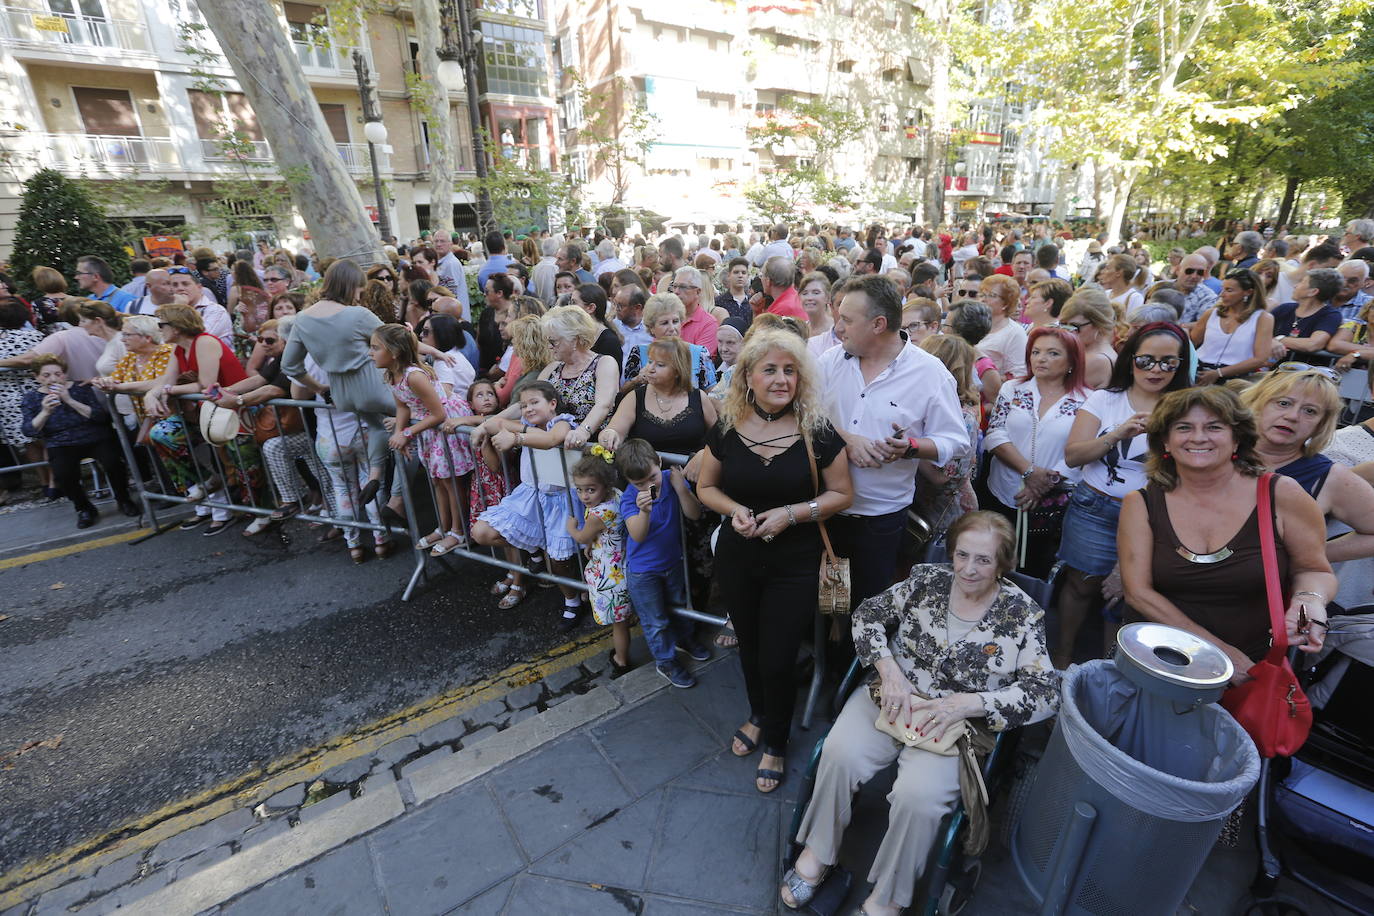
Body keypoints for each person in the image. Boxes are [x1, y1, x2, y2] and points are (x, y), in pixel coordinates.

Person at [784, 512, 1058, 916]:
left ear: (1003, 562)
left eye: (983, 560)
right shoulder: (926, 580)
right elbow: (867, 616)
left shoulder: (1021, 614)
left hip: (953, 721)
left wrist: (970, 703)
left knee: (920, 800)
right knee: (840, 754)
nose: (968, 568)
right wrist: (889, 670)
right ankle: (818, 853)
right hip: (890, 697)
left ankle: (888, 898)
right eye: (962, 555)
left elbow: (1045, 692)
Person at [697, 327, 854, 791]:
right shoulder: (726, 427)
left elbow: (842, 495)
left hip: (798, 562)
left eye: (789, 370)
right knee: (748, 644)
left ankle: (778, 742)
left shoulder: (817, 430)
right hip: (739, 557)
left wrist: (791, 514)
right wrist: (735, 511)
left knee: (780, 655)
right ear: (748, 376)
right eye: (770, 370)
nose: (781, 379)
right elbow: (707, 488)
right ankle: (758, 714)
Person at [1120, 385, 1336, 679]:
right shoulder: (1141, 503)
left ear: (1237, 439)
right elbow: (1138, 594)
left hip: (1252, 668)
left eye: (1214, 427)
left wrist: (1308, 601)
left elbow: (1315, 570)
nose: (1198, 437)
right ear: (1165, 443)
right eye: (1184, 427)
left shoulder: (1281, 494)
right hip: (1158, 661)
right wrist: (1217, 654)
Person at [820, 275, 972, 620]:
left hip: (880, 519)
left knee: (867, 604)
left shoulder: (930, 373)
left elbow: (955, 441)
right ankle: (828, 664)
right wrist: (846, 438)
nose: (838, 326)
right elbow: (803, 417)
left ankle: (862, 668)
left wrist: (911, 447)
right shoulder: (830, 361)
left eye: (846, 319)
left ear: (878, 324)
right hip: (827, 509)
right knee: (831, 600)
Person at [1056, 322, 1192, 666]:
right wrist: (1118, 433)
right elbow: (1074, 455)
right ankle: (1061, 658)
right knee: (1080, 585)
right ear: (1130, 359)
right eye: (1147, 360)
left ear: (1181, 366)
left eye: (1168, 362)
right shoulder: (1105, 399)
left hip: (1153, 515)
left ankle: (1109, 671)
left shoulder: (1186, 409)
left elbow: (1184, 476)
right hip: (1094, 506)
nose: (1156, 369)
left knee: (1128, 598)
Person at [280, 261, 396, 510]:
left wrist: (320, 388)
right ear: (350, 284)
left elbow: (290, 366)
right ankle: (394, 499)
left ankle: (374, 479)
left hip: (342, 396)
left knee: (378, 428)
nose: (359, 295)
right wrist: (433, 352)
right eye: (358, 289)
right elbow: (396, 341)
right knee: (416, 425)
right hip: (373, 388)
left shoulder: (302, 319)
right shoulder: (358, 315)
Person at [143, 303, 262, 535]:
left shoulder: (205, 342)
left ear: (176, 326)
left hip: (234, 410)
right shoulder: (178, 349)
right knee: (161, 434)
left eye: (161, 325)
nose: (159, 330)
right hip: (206, 413)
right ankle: (207, 482)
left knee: (244, 460)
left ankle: (261, 510)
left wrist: (167, 390)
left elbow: (205, 384)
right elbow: (165, 380)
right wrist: (152, 393)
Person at [1242, 367, 1374, 566]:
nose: (1293, 416)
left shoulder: (1329, 476)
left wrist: (1310, 555)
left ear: (1322, 424)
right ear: (1257, 402)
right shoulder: (1212, 452)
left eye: (1310, 411)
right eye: (1283, 403)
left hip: (1259, 593)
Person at [983, 326, 1087, 578]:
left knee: (1034, 568)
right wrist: (1028, 471)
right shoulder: (1012, 389)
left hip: (1052, 501)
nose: (1041, 359)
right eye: (1036, 352)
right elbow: (995, 433)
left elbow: (1083, 451)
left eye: (1053, 353)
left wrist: (1043, 482)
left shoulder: (1087, 400)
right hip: (1004, 489)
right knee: (994, 558)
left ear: (1072, 361)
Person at [472, 380, 582, 616]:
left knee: (559, 562)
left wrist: (517, 436)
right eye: (523, 405)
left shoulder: (562, 422)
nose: (528, 409)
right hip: (530, 495)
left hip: (562, 499)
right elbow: (495, 422)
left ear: (552, 403)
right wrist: (484, 428)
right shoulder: (523, 423)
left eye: (534, 402)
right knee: (481, 531)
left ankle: (572, 602)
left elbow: (552, 439)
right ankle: (533, 550)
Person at [373, 323, 474, 559]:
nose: (371, 353)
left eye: (375, 347)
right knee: (437, 481)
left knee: (450, 482)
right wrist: (400, 432)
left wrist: (407, 434)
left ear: (394, 352)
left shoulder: (415, 376)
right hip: (428, 428)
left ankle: (458, 531)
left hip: (444, 425)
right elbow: (402, 406)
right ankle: (443, 526)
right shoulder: (391, 374)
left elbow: (439, 414)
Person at [616, 437, 709, 685]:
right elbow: (637, 534)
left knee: (679, 605)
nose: (648, 485)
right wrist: (643, 511)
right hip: (643, 572)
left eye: (652, 477)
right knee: (655, 620)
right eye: (639, 483)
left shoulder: (670, 479)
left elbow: (694, 513)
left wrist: (680, 488)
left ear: (659, 462)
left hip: (673, 561)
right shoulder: (629, 499)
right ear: (628, 481)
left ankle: (684, 640)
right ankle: (665, 661)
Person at [21, 355, 139, 526]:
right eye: (46, 375)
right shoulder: (31, 398)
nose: (53, 378)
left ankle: (124, 499)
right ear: (37, 377)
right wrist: (45, 412)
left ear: (64, 375)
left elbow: (100, 417)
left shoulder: (80, 388)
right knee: (63, 473)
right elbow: (28, 430)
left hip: (94, 437)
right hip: (61, 443)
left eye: (58, 374)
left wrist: (69, 400)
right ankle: (83, 508)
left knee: (113, 462)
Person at [566, 452, 633, 675]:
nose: (584, 496)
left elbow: (582, 536)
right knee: (623, 620)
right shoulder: (616, 496)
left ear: (605, 485)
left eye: (590, 489)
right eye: (579, 489)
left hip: (610, 574)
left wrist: (571, 528)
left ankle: (621, 660)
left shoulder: (597, 513)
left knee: (619, 625)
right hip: (624, 561)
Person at [912, 334, 980, 542]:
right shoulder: (918, 403)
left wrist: (909, 445)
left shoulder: (963, 416)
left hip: (945, 512)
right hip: (920, 505)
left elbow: (942, 477)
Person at [1191, 267, 1275, 385]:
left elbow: (1260, 359)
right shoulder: (1211, 313)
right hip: (1200, 373)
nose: (1221, 294)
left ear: (1248, 292)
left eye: (1229, 290)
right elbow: (1191, 343)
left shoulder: (1263, 318)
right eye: (1222, 289)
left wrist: (1219, 373)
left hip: (1236, 380)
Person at [622, 293, 717, 392]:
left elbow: (712, 394)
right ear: (651, 328)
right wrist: (638, 380)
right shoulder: (639, 353)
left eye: (675, 321)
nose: (672, 328)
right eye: (664, 323)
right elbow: (623, 392)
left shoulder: (699, 353)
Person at [0, 299, 47, 490]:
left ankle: (44, 480)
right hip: (37, 394)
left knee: (27, 442)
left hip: (7, 400)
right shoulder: (36, 337)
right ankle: (55, 480)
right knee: (45, 438)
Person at [1269, 267, 1343, 366]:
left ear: (1313, 291)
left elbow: (1313, 344)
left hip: (1302, 375)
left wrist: (1277, 340)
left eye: (1301, 282)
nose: (1295, 286)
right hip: (1270, 369)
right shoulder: (1284, 308)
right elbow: (1256, 332)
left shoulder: (1330, 315)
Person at [1057, 288, 1118, 390]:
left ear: (1099, 324)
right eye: (1063, 325)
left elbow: (1059, 395)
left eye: (1075, 326)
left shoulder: (1097, 360)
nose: (1068, 331)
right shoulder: (1091, 352)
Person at [976, 275, 1028, 377]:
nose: (983, 299)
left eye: (991, 295)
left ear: (1007, 303)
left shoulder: (1015, 332)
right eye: (982, 294)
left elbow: (1018, 375)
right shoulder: (973, 324)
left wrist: (990, 381)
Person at [571, 283, 623, 369]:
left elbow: (612, 375)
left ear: (591, 308)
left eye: (574, 303)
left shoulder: (609, 341)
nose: (569, 307)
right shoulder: (575, 332)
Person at [1096, 253, 1145, 319]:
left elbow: (1131, 325)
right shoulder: (1106, 294)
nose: (1103, 272)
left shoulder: (1135, 298)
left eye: (1107, 268)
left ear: (1119, 273)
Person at [716, 257, 753, 325]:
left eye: (743, 273)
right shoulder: (718, 301)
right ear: (729, 275)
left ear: (748, 276)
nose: (740, 275)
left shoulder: (753, 301)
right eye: (736, 272)